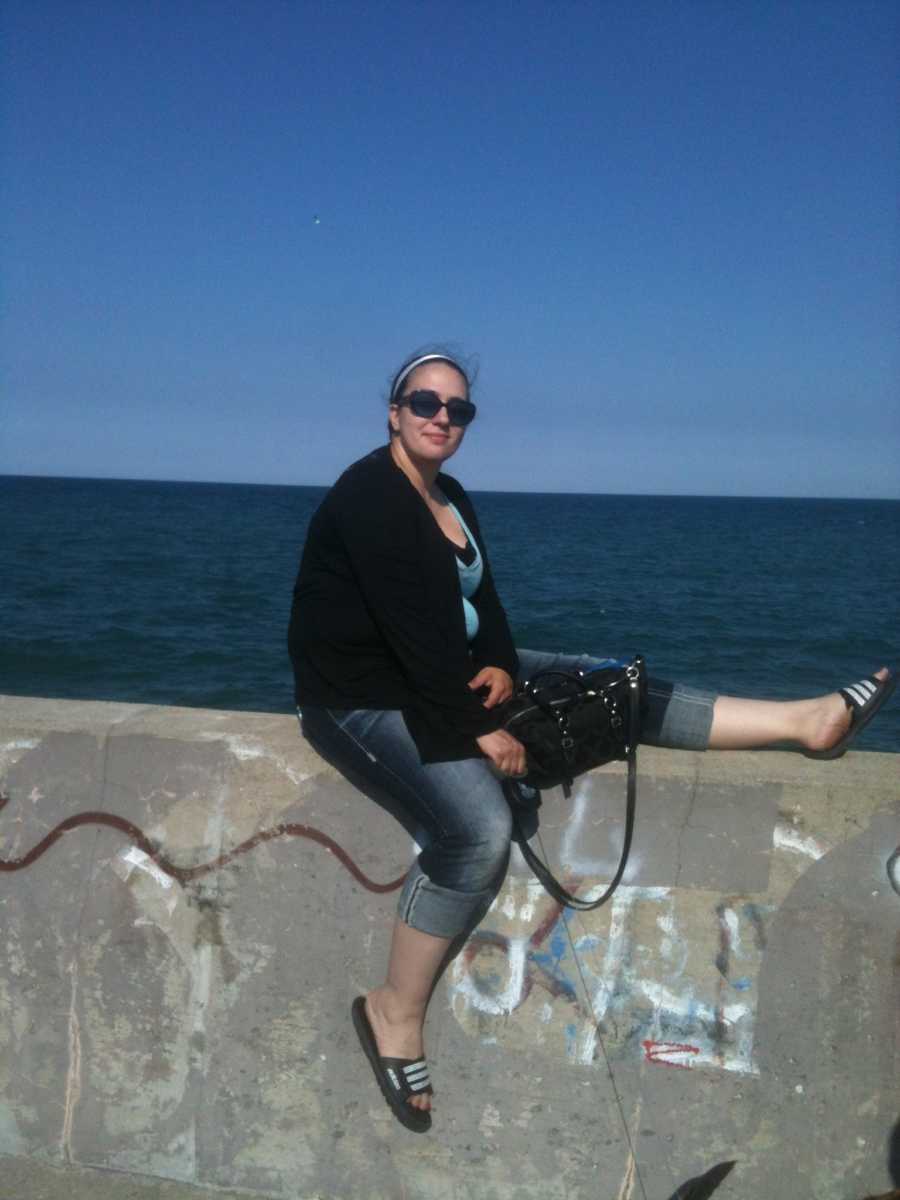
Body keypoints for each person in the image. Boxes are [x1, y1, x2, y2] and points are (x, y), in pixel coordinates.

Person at [287, 347, 894, 1134]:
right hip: (357, 700)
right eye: (424, 403)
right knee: (475, 832)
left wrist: (502, 668)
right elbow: (409, 639)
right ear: (393, 411)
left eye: (457, 409)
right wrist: (479, 729)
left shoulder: (451, 496)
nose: (442, 418)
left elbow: (485, 607)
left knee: (612, 687)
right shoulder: (368, 497)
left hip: (444, 671)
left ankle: (804, 723)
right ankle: (393, 1011)